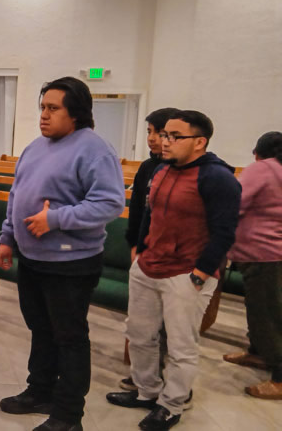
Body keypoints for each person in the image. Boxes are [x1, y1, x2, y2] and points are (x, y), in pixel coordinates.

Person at [0, 77, 125, 431]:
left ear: (76, 114)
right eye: (42, 107)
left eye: (53, 108)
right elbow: (16, 195)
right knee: (40, 329)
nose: (44, 115)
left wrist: (55, 218)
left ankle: (69, 415)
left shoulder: (95, 149)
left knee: (69, 338)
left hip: (72, 261)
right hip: (32, 258)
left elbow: (110, 203)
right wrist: (7, 237)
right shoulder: (36, 147)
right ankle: (40, 391)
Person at [106, 110, 241, 431]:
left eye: (174, 136)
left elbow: (225, 232)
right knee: (139, 335)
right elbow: (149, 214)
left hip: (186, 273)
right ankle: (147, 391)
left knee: (181, 346)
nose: (164, 141)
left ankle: (171, 405)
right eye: (164, 134)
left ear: (200, 142)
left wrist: (201, 273)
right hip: (149, 266)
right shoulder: (162, 169)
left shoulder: (218, 177)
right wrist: (140, 251)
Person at [118, 107, 181, 391]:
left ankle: (170, 382)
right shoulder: (147, 168)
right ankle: (144, 378)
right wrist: (134, 243)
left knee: (168, 326)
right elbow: (137, 212)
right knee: (142, 324)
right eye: (150, 132)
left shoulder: (183, 170)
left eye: (161, 133)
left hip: (172, 259)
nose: (153, 138)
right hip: (144, 253)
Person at [225, 131, 282, 399]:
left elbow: (234, 203)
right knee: (261, 308)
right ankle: (258, 353)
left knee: (267, 315)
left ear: (257, 152)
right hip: (269, 253)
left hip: (262, 254)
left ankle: (280, 377)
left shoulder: (262, 169)